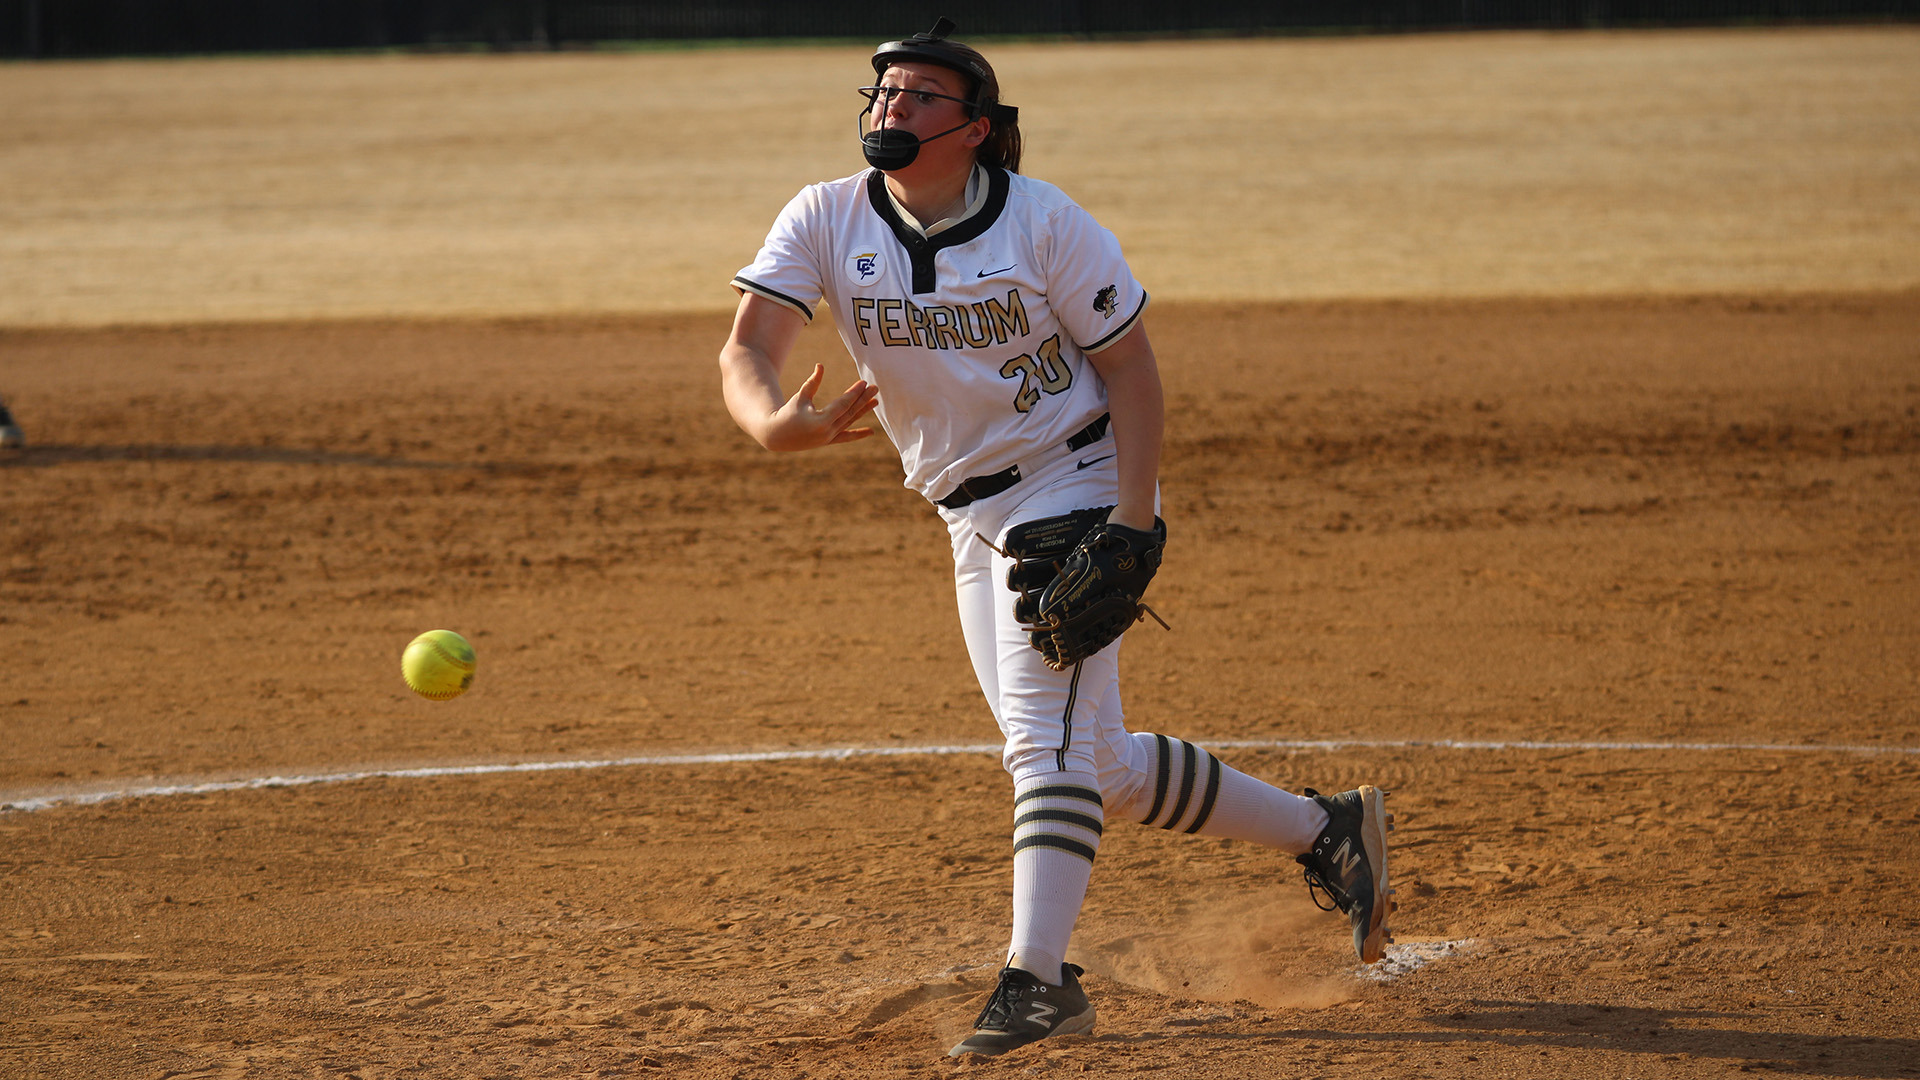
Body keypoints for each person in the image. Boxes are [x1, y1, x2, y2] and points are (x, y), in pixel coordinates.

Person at [717, 19, 1393, 1059]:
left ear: (976, 128)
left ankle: (1038, 983)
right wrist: (773, 423)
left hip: (1071, 483)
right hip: (968, 513)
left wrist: (1130, 524)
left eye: (919, 94)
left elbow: (1132, 373)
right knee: (1101, 767)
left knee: (1045, 747)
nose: (890, 105)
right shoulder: (825, 216)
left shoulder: (1042, 225)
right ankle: (1329, 829)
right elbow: (749, 349)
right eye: (883, 90)